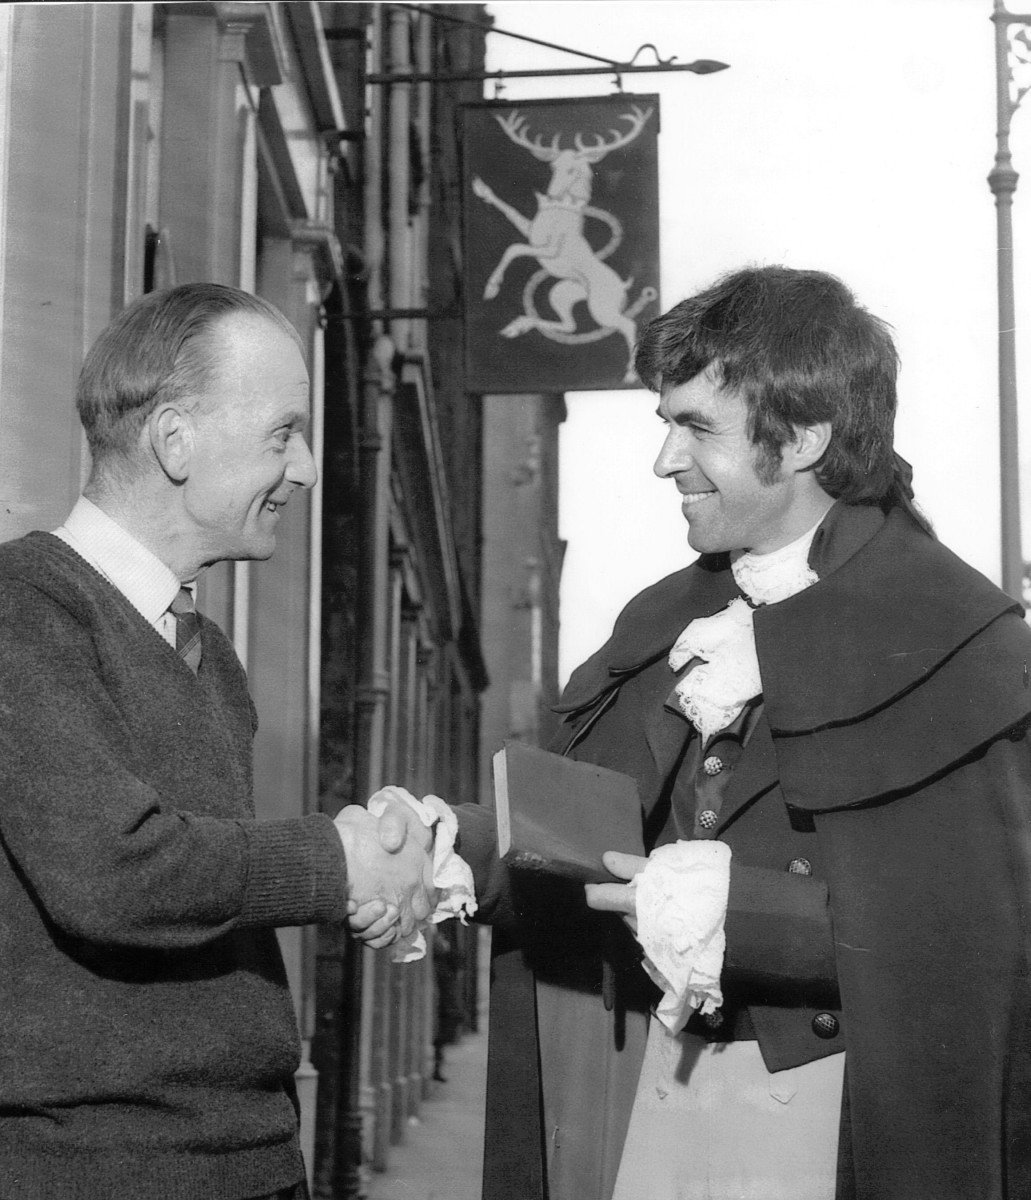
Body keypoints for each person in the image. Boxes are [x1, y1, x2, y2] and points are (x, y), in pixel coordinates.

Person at [457, 266, 1031, 1199]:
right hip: (643, 1115)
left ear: (803, 438)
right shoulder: (660, 620)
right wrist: (462, 847)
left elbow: (968, 958)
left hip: (827, 1132)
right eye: (664, 423)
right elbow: (592, 845)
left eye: (697, 428)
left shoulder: (961, 643)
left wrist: (740, 918)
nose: (664, 462)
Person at [0, 283, 438, 1200]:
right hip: (104, 1172)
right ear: (174, 441)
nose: (309, 468)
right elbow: (115, 872)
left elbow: (214, 887)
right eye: (284, 434)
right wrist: (338, 864)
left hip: (243, 1158)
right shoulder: (25, 608)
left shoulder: (207, 650)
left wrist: (362, 869)